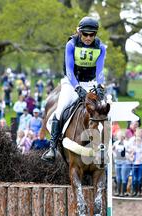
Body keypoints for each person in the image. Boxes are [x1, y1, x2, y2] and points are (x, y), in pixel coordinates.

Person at [42, 16, 107, 162]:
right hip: (71, 82)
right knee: (61, 108)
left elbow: (100, 71)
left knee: (103, 109)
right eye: (85, 34)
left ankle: (104, 147)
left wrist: (100, 86)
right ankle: (52, 147)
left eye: (92, 35)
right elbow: (70, 70)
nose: (88, 37)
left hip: (90, 82)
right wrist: (77, 88)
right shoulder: (71, 44)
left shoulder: (101, 47)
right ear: (79, 32)